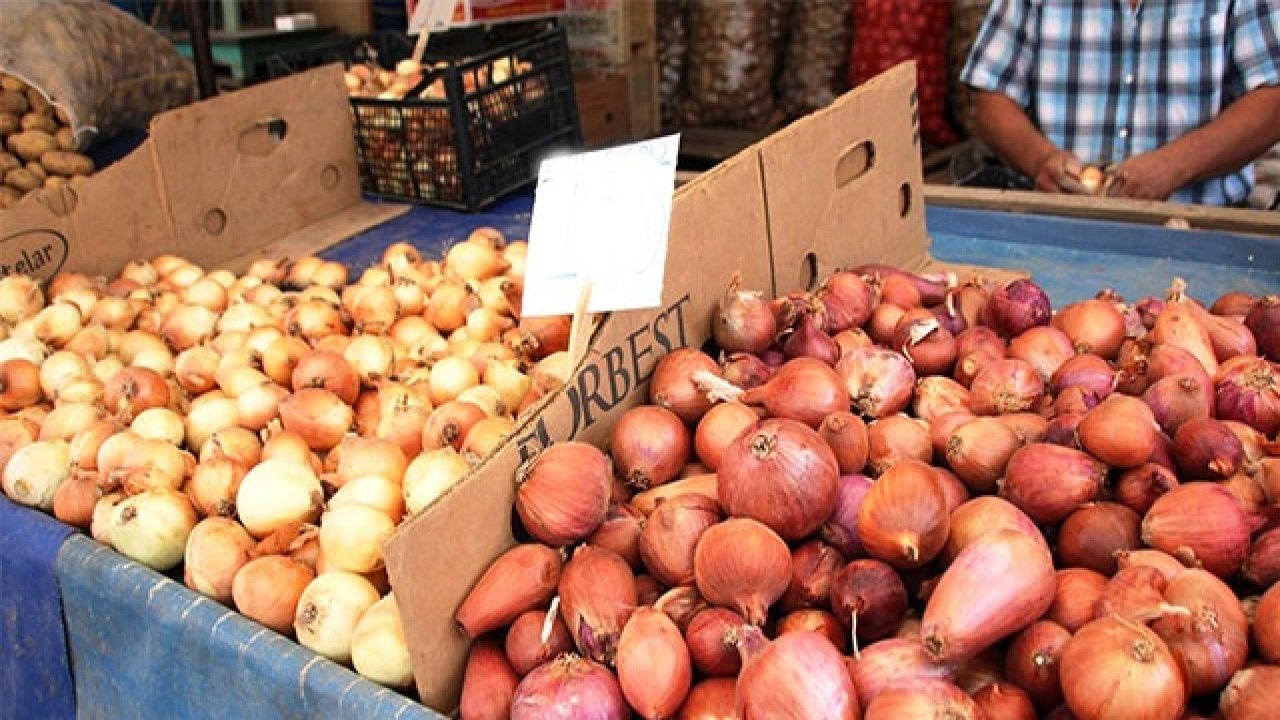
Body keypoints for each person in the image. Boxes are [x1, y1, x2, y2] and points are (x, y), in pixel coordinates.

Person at [960, 0, 1280, 205]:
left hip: (1202, 225)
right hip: (1062, 223)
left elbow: (1273, 99)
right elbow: (991, 97)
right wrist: (1041, 161)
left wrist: (1174, 166)